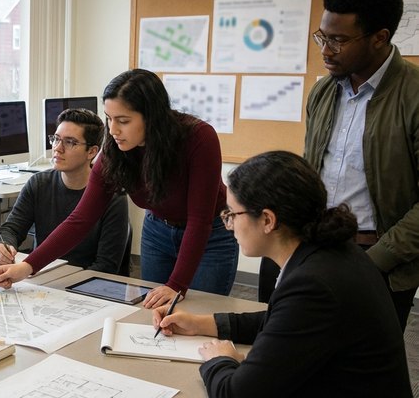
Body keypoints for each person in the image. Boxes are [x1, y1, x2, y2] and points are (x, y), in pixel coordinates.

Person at [155, 151, 411, 397]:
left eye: (232, 214)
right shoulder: (333, 253)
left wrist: (220, 359)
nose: (229, 224)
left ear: (268, 220)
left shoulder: (314, 284)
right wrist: (202, 324)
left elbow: (234, 394)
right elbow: (282, 320)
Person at [0, 69, 238, 308]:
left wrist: (176, 285)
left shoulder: (198, 138)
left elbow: (199, 220)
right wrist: (27, 267)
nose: (113, 130)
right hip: (158, 232)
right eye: (109, 118)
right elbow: (80, 219)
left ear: (152, 116)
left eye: (123, 121)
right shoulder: (114, 151)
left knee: (199, 314)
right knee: (150, 312)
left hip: (210, 235)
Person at [259, 0, 419, 331]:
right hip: (313, 243)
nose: (326, 51)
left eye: (338, 40)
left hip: (379, 258)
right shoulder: (323, 92)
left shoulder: (413, 96)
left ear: (380, 38)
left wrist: (376, 260)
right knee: (292, 352)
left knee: (360, 369)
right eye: (322, 37)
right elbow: (313, 171)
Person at [0, 108, 129, 273]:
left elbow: (106, 266)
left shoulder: (112, 196)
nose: (57, 148)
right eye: (56, 139)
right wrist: (2, 245)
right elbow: (11, 229)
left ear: (92, 152)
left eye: (70, 142)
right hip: (42, 276)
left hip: (83, 285)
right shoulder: (38, 183)